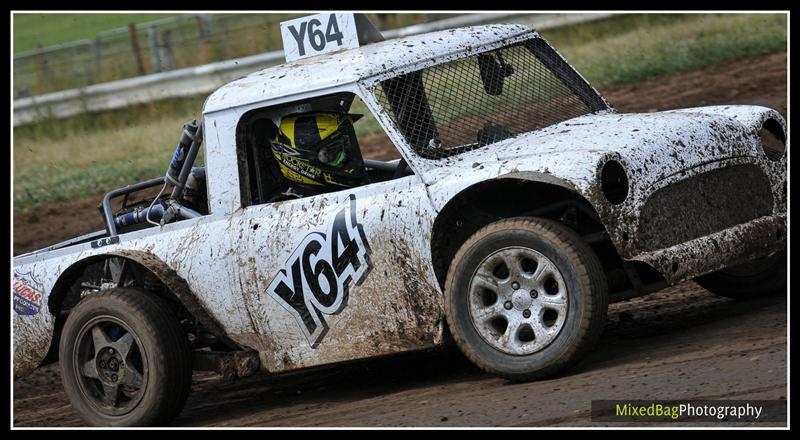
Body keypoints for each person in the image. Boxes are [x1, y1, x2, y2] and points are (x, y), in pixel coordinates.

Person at [268, 112, 368, 201]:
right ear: (298, 161)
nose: (343, 157)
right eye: (330, 154)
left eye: (343, 147)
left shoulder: (326, 190)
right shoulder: (293, 205)